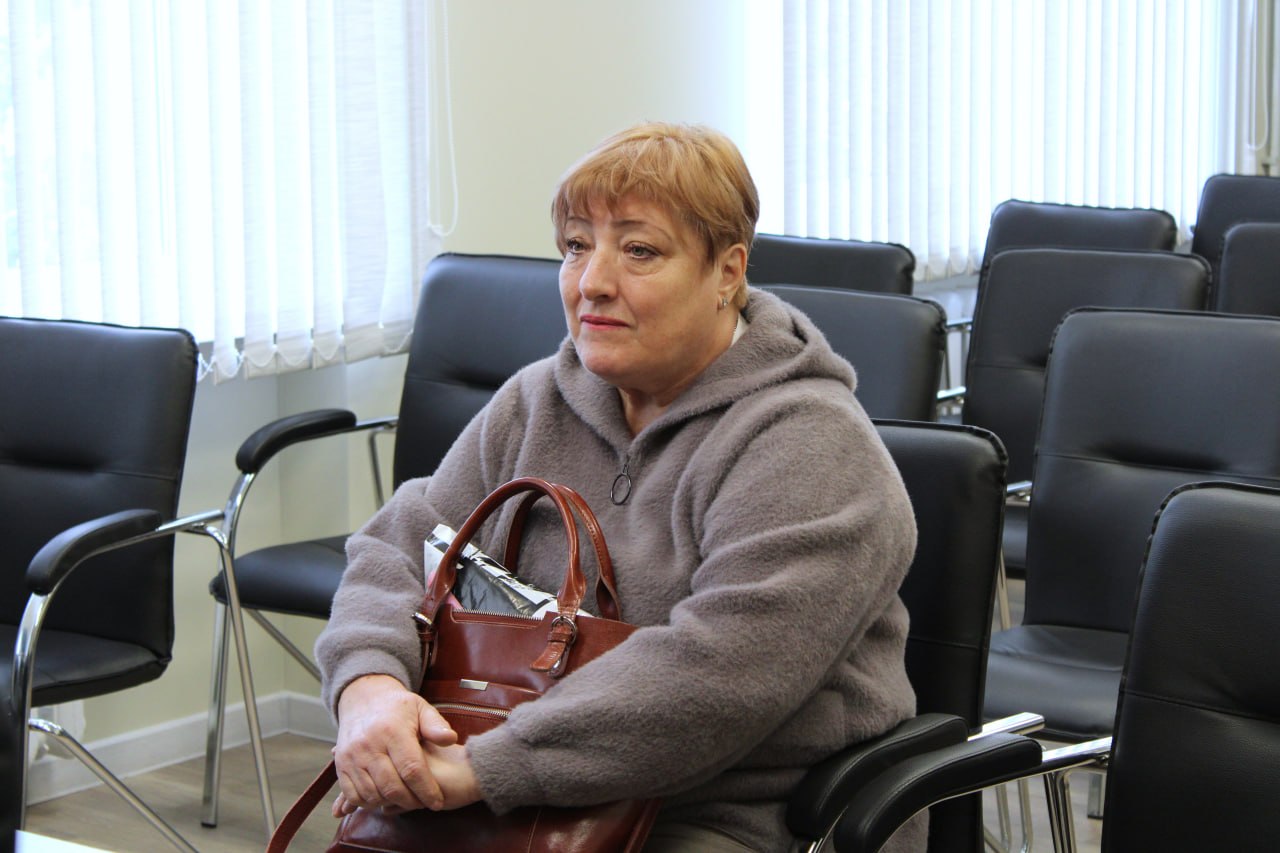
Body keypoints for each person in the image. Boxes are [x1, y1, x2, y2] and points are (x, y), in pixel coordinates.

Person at [316, 121, 922, 852]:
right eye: (576, 246)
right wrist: (369, 687)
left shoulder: (809, 443)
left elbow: (721, 675)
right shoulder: (536, 400)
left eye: (639, 250)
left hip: (732, 812)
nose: (592, 281)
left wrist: (488, 767)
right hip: (503, 782)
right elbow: (401, 545)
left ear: (727, 272)